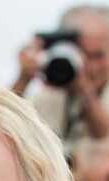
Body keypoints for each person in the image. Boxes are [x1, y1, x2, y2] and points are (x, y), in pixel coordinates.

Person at [14, 5, 109, 157]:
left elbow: (103, 134)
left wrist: (83, 90)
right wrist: (23, 80)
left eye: (98, 56)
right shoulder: (49, 96)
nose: (91, 66)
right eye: (83, 55)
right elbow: (7, 125)